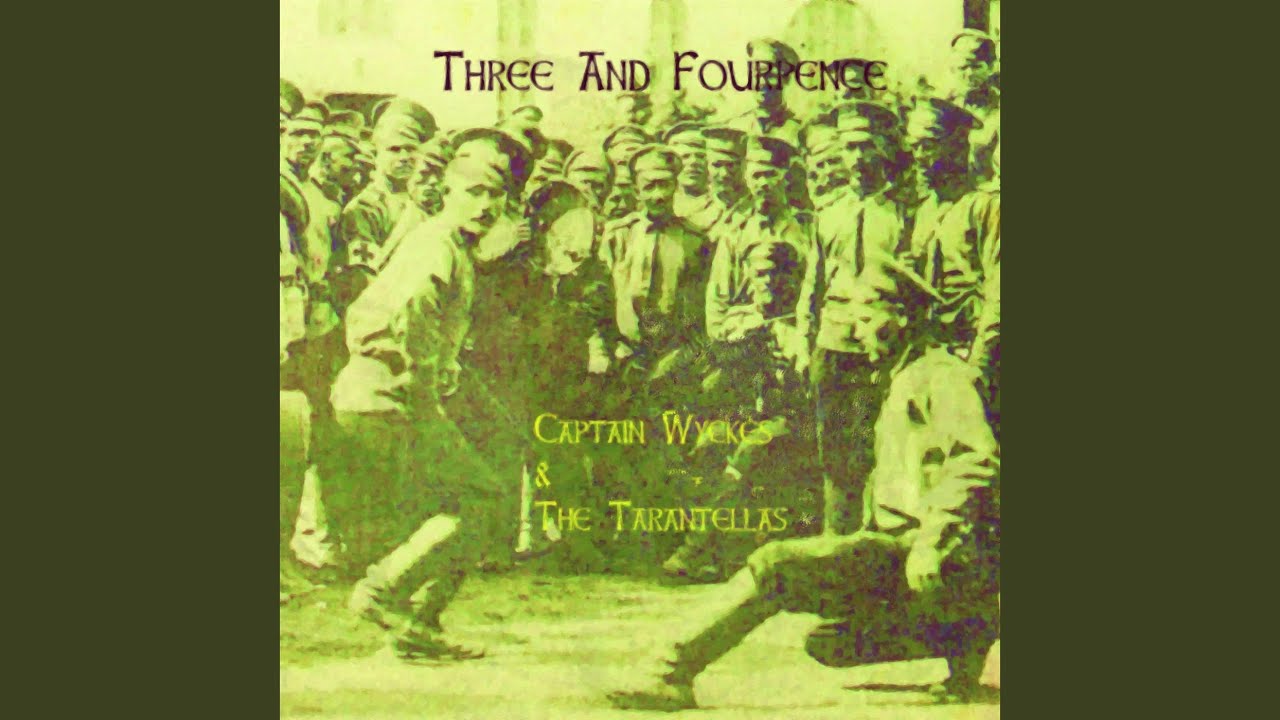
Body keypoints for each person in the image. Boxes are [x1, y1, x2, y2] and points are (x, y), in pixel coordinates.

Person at [607, 345, 1000, 710]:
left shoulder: (941, 375)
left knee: (776, 563)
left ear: (903, 314)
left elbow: (976, 460)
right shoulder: (896, 376)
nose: (853, 330)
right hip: (932, 557)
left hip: (938, 551)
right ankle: (965, 638)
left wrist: (931, 543)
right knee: (830, 643)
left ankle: (670, 672)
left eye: (866, 313)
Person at [327, 127, 532, 661]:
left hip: (393, 392)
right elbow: (412, 318)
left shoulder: (452, 244)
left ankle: (418, 624)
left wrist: (445, 373)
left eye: (495, 196)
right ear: (447, 190)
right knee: (481, 498)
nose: (485, 206)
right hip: (386, 396)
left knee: (470, 498)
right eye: (474, 192)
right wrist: (426, 395)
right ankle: (384, 593)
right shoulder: (436, 243)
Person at [662, 135, 813, 582]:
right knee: (707, 443)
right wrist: (744, 331)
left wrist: (783, 327)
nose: (762, 182)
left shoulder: (807, 232)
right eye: (756, 173)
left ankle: (696, 549)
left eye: (771, 174)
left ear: (786, 177)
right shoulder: (735, 233)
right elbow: (717, 309)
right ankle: (720, 550)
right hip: (743, 373)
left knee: (754, 448)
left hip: (791, 403)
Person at [796, 102, 909, 536]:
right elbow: (813, 286)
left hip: (883, 351)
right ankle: (836, 543)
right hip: (834, 347)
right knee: (836, 453)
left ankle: (877, 549)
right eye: (849, 147)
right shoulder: (829, 213)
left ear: (885, 147)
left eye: (866, 146)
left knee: (880, 448)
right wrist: (805, 344)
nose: (857, 158)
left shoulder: (904, 212)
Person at [900, 97, 1000, 434]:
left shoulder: (986, 208)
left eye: (927, 146)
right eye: (914, 146)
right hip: (933, 358)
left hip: (980, 361)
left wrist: (978, 366)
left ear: (957, 148)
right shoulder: (923, 212)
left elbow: (998, 296)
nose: (918, 156)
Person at [337, 97, 436, 278]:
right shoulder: (364, 208)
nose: (404, 157)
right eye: (394, 149)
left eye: (411, 149)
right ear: (377, 154)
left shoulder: (426, 201)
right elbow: (365, 274)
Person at [946, 30, 1000, 186]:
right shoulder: (945, 107)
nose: (969, 74)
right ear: (953, 68)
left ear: (991, 67)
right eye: (963, 67)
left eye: (976, 67)